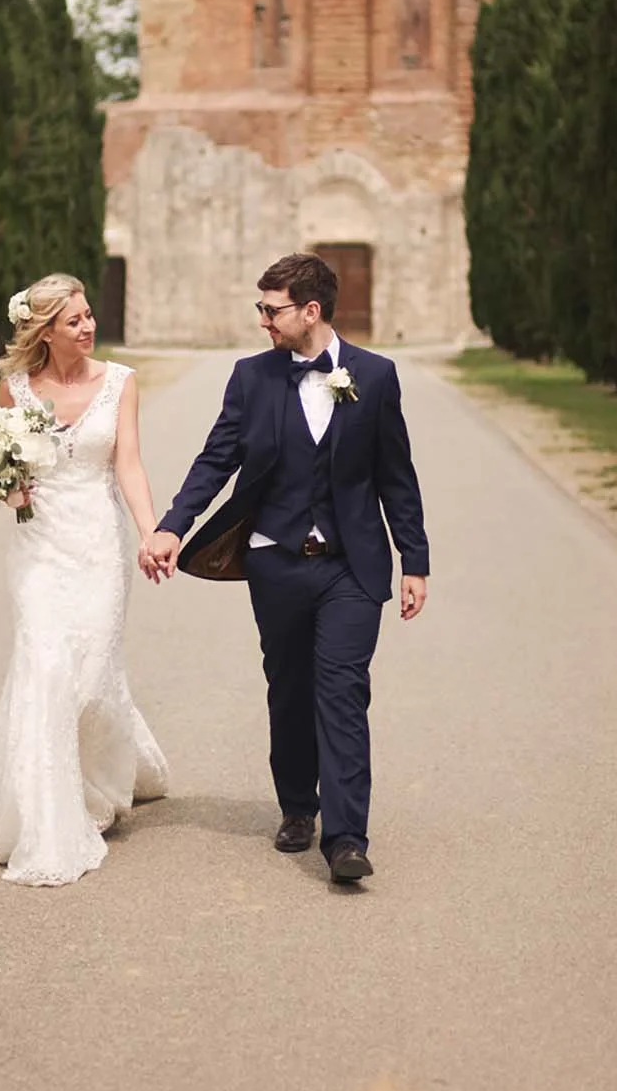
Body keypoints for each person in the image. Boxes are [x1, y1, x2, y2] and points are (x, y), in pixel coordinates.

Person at [139, 252, 430, 884]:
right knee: (290, 690)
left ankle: (347, 838)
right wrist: (171, 524)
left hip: (351, 567)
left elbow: (396, 477)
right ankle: (299, 807)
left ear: (311, 311)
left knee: (344, 693)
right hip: (276, 565)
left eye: (272, 310)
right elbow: (215, 460)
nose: (263, 321)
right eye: (261, 309)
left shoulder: (375, 377)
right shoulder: (252, 378)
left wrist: (415, 559)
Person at [0, 274, 170, 886]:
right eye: (74, 321)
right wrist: (10, 489)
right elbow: (3, 475)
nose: (87, 327)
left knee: (90, 680)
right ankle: (44, 817)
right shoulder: (14, 391)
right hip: (39, 549)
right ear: (45, 332)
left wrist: (150, 532)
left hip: (98, 547)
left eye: (89, 315)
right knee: (46, 670)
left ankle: (102, 777)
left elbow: (129, 465)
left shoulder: (121, 384)